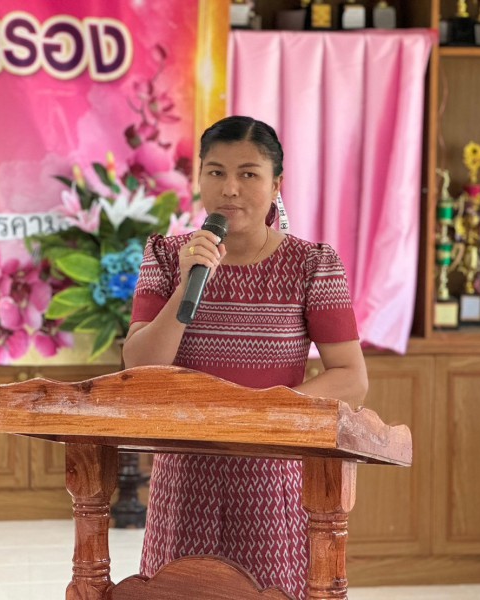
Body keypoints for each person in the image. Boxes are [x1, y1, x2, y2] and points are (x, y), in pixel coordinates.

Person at [122, 115, 368, 599]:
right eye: (215, 172)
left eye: (248, 174)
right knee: (180, 591)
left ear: (276, 185)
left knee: (270, 590)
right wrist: (188, 283)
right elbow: (140, 368)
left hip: (274, 472)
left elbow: (350, 377)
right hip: (184, 472)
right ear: (199, 179)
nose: (230, 189)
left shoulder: (313, 263)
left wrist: (258, 415)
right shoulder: (166, 256)